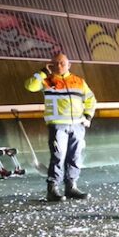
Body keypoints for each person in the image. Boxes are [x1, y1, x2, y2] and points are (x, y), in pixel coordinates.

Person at [24, 53, 96, 201]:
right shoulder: (47, 81)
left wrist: (88, 116)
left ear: (68, 65)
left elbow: (91, 99)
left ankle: (71, 187)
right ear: (51, 65)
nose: (59, 66)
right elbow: (30, 86)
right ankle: (53, 189)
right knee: (58, 156)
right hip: (57, 126)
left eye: (62, 63)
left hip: (77, 125)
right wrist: (43, 71)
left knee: (74, 156)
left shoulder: (79, 81)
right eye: (55, 63)